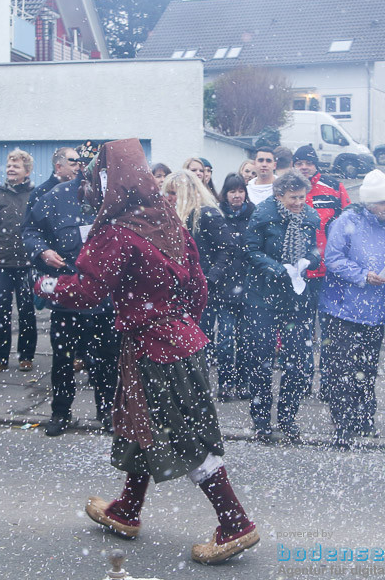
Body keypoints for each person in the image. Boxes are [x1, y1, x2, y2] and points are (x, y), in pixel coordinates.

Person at [33, 139, 258, 565]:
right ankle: (127, 510)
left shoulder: (117, 232)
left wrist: (46, 285)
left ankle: (235, 523)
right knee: (142, 422)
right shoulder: (168, 220)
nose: (92, 188)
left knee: (185, 435)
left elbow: (85, 292)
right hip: (179, 340)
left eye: (96, 178)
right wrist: (178, 322)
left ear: (111, 181)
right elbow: (198, 286)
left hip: (156, 348)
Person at [22, 148, 118, 435]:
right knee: (63, 360)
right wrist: (43, 251)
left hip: (103, 296)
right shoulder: (57, 195)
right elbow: (29, 230)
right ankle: (60, 413)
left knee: (106, 360)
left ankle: (108, 412)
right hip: (68, 295)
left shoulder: (115, 198)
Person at [319, 169, 385, 449]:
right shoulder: (347, 222)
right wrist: (362, 274)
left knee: (367, 369)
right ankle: (343, 425)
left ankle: (365, 419)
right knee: (342, 369)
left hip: (376, 310)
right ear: (369, 202)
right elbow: (332, 258)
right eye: (382, 202)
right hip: (344, 309)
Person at [243, 171, 321, 442]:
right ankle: (261, 419)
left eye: (302, 197)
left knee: (297, 361)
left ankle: (288, 416)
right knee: (262, 360)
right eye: (293, 198)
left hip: (295, 296)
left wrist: (308, 261)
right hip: (263, 295)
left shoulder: (309, 218)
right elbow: (251, 250)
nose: (299, 202)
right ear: (279, 196)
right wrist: (277, 269)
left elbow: (314, 249)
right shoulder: (263, 215)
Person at [162, 171, 241, 399]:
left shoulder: (207, 214)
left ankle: (217, 387)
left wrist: (210, 279)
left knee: (218, 341)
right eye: (167, 192)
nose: (168, 197)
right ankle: (196, 388)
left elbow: (228, 248)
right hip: (188, 291)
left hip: (212, 290)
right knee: (193, 343)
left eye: (173, 193)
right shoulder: (174, 217)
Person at [292, 144, 350, 398]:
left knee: (329, 333)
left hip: (329, 273)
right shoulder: (289, 188)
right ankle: (303, 381)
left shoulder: (333, 186)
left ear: (316, 165)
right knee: (302, 331)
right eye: (299, 162)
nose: (304, 167)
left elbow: (349, 220)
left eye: (308, 162)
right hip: (301, 274)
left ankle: (328, 383)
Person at [0, 149, 37, 373]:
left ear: (27, 171)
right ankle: (0, 357)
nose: (11, 169)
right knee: (1, 313)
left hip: (27, 265)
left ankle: (26, 356)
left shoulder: (35, 196)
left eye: (16, 166)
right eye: (9, 165)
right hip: (1, 265)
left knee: (27, 312)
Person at [216, 173, 255, 400]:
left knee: (245, 341)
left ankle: (242, 382)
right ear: (226, 194)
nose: (237, 195)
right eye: (232, 191)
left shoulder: (254, 215)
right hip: (225, 287)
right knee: (225, 340)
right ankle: (224, 382)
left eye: (240, 191)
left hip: (248, 287)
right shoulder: (218, 215)